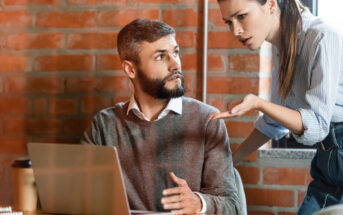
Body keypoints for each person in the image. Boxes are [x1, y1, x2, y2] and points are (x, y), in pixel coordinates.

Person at [81, 18, 240, 215]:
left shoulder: (207, 121)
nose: (175, 64)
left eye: (175, 52)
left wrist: (199, 203)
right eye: (160, 57)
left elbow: (232, 206)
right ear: (130, 69)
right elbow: (83, 198)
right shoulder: (103, 125)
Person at [210, 0, 343, 214]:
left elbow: (317, 126)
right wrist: (229, 163)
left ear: (271, 4)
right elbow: (274, 123)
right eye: (228, 22)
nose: (236, 30)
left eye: (242, 16)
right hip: (329, 160)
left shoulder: (322, 37)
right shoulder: (282, 47)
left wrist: (259, 103)